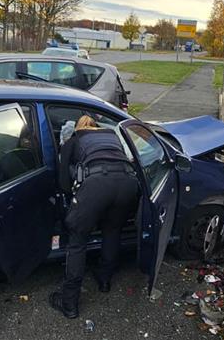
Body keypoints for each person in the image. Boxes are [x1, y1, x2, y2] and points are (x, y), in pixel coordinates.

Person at [49, 115, 139, 319]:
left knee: (77, 241)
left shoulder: (73, 140)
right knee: (112, 230)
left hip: (97, 186)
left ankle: (69, 303)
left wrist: (74, 175)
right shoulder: (112, 136)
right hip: (128, 184)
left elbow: (63, 184)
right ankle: (104, 280)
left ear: (78, 128)